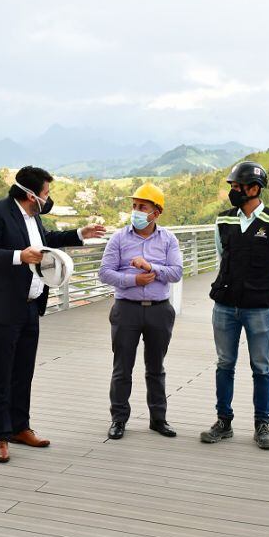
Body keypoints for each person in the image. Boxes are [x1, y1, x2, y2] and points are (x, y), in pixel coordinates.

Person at [0, 166, 106, 462]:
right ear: (31, 194)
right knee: (1, 372)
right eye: (46, 193)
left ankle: (20, 427)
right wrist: (19, 256)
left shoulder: (34, 218)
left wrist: (79, 234)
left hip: (30, 305)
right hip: (1, 307)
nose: (49, 198)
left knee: (24, 371)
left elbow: (48, 241)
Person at [200, 161, 269, 450]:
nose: (234, 191)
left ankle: (262, 425)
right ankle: (223, 422)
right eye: (233, 187)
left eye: (238, 186)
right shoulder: (223, 221)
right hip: (225, 308)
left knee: (261, 367)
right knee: (224, 364)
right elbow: (221, 259)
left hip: (259, 310)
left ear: (255, 189)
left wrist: (268, 302)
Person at [98, 183, 183, 440]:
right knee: (122, 368)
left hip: (159, 310)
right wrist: (133, 280)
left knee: (156, 368)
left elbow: (176, 272)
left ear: (156, 213)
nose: (135, 211)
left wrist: (151, 267)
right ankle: (118, 419)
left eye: (142, 207)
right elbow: (104, 272)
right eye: (134, 206)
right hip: (126, 309)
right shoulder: (119, 238)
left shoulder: (168, 239)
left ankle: (158, 419)